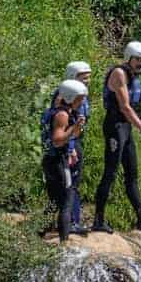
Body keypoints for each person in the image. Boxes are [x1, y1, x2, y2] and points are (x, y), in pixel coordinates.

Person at [92, 41, 141, 233]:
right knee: (110, 173)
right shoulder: (119, 73)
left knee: (132, 173)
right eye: (138, 59)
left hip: (125, 129)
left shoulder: (134, 76)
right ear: (129, 58)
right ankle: (98, 220)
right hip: (114, 127)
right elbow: (124, 107)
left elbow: (134, 104)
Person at [41, 80, 89, 242]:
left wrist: (72, 143)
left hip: (50, 161)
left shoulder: (57, 110)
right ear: (70, 97)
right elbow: (57, 139)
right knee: (67, 201)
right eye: (80, 98)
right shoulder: (63, 115)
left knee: (54, 200)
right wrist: (73, 129)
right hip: (58, 163)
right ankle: (64, 241)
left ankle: (38, 232)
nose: (82, 101)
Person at [51, 61, 92, 235]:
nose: (88, 81)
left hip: (74, 140)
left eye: (89, 77)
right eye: (84, 78)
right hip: (68, 145)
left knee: (71, 186)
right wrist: (71, 148)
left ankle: (66, 222)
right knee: (69, 187)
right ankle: (70, 224)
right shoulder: (65, 99)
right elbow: (64, 128)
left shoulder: (77, 94)